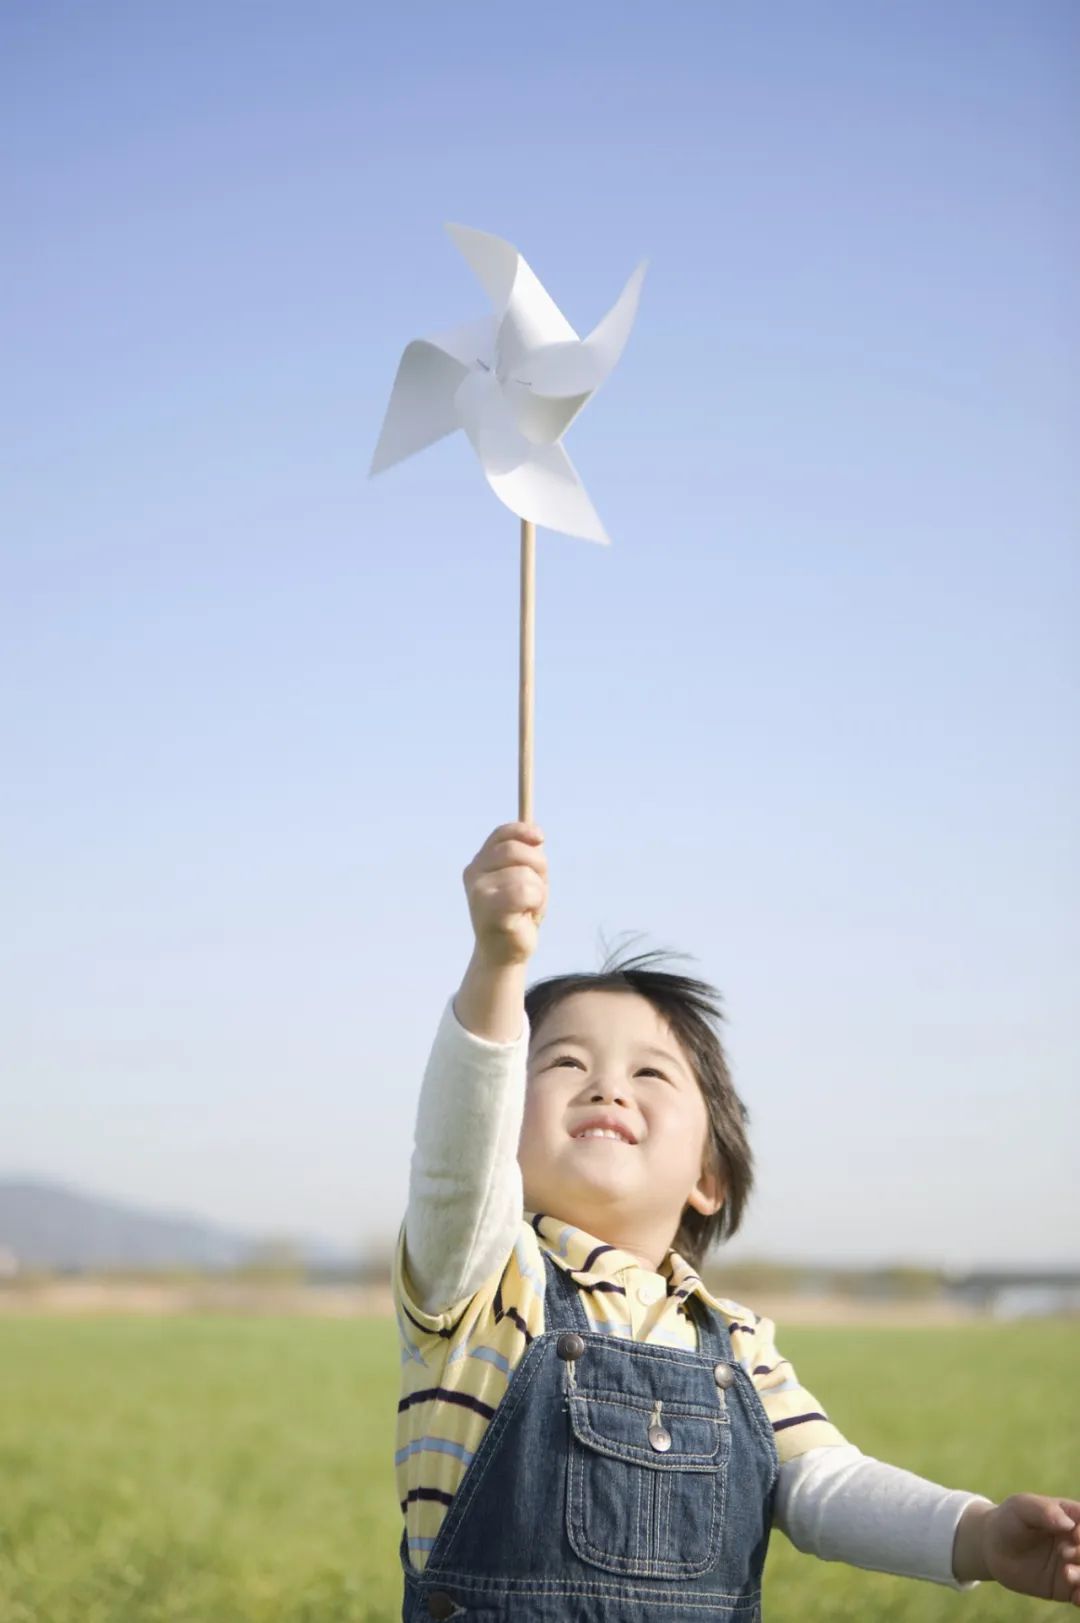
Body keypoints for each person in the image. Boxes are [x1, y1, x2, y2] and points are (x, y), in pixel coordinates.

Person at [393, 821, 1079, 1621]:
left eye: (651, 1073)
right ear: (503, 1129)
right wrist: (498, 963)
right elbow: (457, 1158)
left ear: (709, 1178)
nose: (608, 1086)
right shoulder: (483, 1275)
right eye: (565, 1061)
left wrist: (981, 1534)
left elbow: (826, 1484)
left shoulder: (738, 1340)